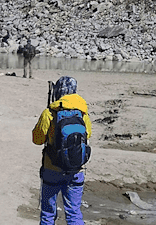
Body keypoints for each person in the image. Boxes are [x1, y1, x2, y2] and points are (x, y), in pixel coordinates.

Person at [32, 76, 92, 225]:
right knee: (73, 213)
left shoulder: (49, 113)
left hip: (51, 168)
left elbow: (37, 139)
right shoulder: (83, 113)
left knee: (48, 213)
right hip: (76, 170)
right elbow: (87, 135)